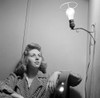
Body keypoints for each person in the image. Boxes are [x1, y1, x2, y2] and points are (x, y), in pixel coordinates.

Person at [0, 43, 82, 98]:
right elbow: (2, 89)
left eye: (39, 55)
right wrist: (19, 97)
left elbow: (77, 79)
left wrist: (58, 73)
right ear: (26, 59)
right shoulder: (16, 77)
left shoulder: (48, 79)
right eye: (33, 55)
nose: (37, 58)